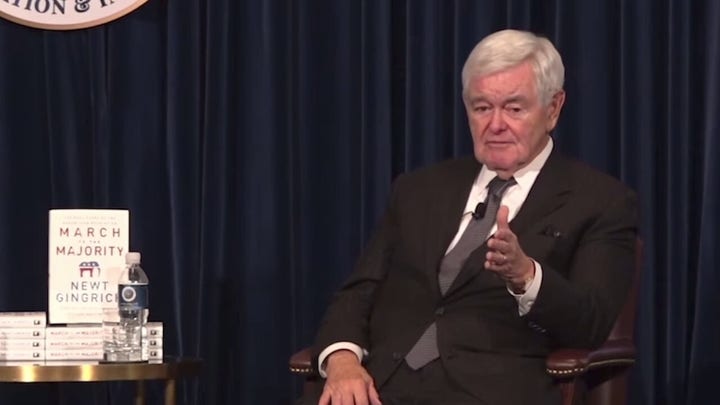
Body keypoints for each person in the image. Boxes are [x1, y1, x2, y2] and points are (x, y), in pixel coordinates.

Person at [302, 29, 638, 405]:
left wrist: (526, 276)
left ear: (553, 108)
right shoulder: (418, 189)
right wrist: (342, 361)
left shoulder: (600, 201)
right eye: (482, 108)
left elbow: (590, 322)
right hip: (378, 388)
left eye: (514, 108)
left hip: (488, 393)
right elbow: (359, 292)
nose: (495, 125)